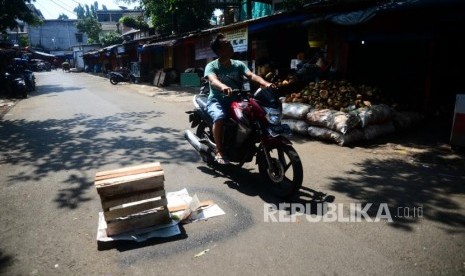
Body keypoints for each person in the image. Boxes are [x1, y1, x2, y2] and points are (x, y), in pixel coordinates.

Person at [204, 33, 274, 164]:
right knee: (219, 117)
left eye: (230, 44)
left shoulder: (238, 64)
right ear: (219, 51)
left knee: (252, 117)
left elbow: (251, 76)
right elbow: (213, 80)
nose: (231, 46)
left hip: (236, 101)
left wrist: (265, 83)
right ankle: (219, 150)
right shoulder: (212, 66)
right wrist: (223, 86)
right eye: (227, 45)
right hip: (217, 100)